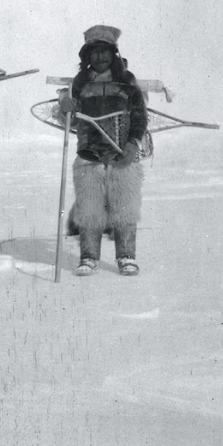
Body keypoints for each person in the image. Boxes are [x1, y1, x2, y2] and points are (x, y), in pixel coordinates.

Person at [57, 25, 148, 276]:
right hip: (89, 155)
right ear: (86, 56)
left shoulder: (127, 81)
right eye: (94, 52)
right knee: (90, 211)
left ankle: (126, 256)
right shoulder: (80, 82)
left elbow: (140, 116)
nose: (99, 57)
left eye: (104, 52)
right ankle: (88, 257)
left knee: (125, 210)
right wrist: (65, 108)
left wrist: (132, 144)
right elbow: (71, 120)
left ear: (114, 54)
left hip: (122, 156)